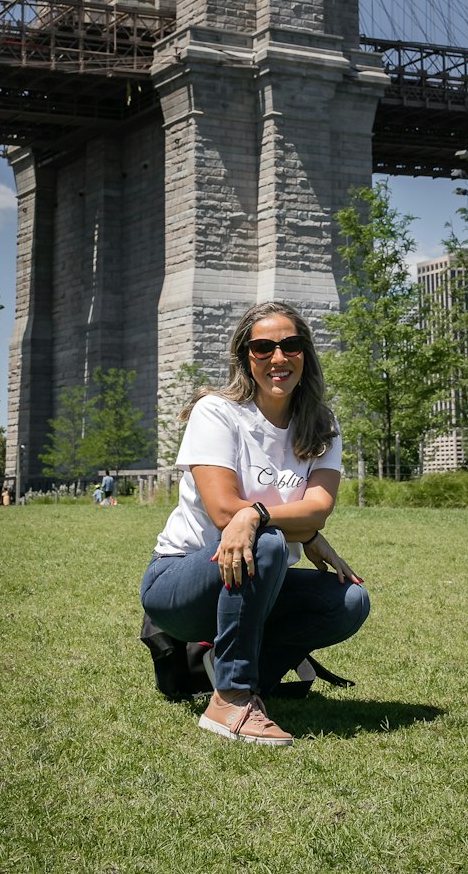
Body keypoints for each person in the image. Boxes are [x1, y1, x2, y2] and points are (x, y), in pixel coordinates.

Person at [140, 300, 369, 747]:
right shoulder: (218, 412)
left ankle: (225, 673)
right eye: (263, 347)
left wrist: (279, 520)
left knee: (349, 600)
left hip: (257, 577)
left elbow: (318, 507)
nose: (278, 358)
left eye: (291, 345)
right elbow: (225, 512)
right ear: (246, 356)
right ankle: (231, 699)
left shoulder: (322, 425)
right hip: (179, 580)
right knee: (266, 546)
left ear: (306, 354)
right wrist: (285, 526)